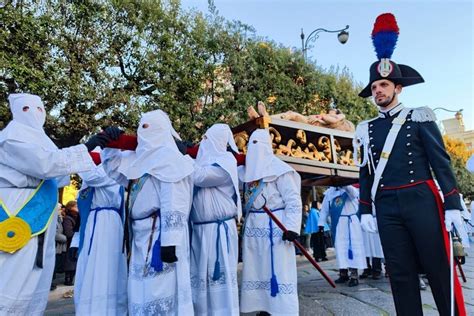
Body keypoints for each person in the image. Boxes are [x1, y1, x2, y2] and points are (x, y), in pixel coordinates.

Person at [355, 13, 467, 315]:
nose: (378, 90)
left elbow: (440, 161)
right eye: (374, 87)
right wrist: (365, 207)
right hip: (387, 205)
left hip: (421, 198)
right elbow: (366, 172)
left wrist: (453, 202)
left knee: (437, 268)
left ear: (397, 88)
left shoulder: (420, 116)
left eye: (383, 85)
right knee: (400, 274)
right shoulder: (365, 128)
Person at [0, 93, 100, 315]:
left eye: (38, 109)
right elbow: (46, 165)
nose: (34, 114)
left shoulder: (41, 139)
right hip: (17, 213)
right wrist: (88, 146)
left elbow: (58, 175)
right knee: (11, 282)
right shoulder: (13, 137)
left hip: (39, 220)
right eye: (26, 109)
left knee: (33, 283)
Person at [101, 109, 194, 315]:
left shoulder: (171, 159)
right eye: (141, 126)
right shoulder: (138, 161)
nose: (144, 132)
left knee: (160, 291)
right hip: (140, 236)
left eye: (149, 127)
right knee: (141, 290)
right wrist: (110, 146)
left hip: (161, 237)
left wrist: (170, 241)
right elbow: (113, 171)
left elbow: (174, 201)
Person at [239, 129, 302, 316]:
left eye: (259, 144)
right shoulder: (244, 172)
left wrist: (291, 227)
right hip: (253, 227)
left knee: (279, 269)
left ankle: (282, 310)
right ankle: (263, 308)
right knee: (256, 269)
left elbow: (293, 200)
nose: (255, 149)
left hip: (276, 227)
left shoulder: (281, 170)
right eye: (252, 144)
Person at [190, 123, 241, 316]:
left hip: (219, 231)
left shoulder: (226, 162)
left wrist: (181, 156)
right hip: (200, 230)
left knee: (219, 278)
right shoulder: (201, 163)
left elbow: (200, 177)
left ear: (216, 141)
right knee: (201, 277)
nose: (202, 142)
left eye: (206, 138)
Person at [74, 161, 128, 315]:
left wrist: (83, 154)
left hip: (106, 223)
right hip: (94, 222)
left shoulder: (112, 171)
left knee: (104, 266)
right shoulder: (97, 173)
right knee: (92, 265)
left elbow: (91, 176)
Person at [318, 186, 366, 287]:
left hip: (351, 223)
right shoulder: (329, 193)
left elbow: (354, 194)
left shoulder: (349, 189)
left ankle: (354, 276)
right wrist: (321, 223)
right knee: (340, 249)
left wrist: (344, 185)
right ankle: (343, 273)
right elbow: (325, 209)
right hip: (338, 224)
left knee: (352, 249)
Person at [63, 201, 80, 286]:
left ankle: (72, 278)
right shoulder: (68, 218)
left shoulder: (76, 217)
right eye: (76, 206)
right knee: (70, 261)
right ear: (70, 208)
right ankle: (68, 279)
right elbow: (68, 232)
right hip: (71, 243)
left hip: (75, 242)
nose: (78, 207)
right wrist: (78, 234)